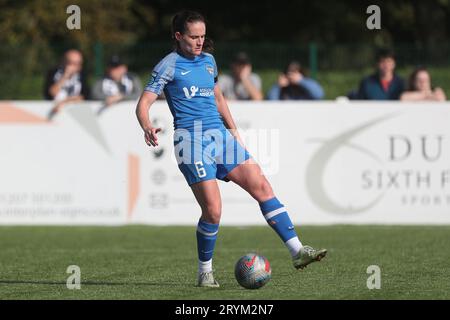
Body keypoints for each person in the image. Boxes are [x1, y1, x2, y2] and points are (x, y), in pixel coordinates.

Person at [135, 10, 327, 288]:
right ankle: (205, 272)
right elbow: (143, 103)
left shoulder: (209, 61)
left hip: (220, 137)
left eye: (202, 36)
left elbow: (217, 96)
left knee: (262, 186)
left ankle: (298, 251)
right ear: (178, 36)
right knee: (213, 211)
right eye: (193, 37)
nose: (200, 42)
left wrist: (233, 130)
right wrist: (146, 125)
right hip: (191, 141)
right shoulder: (169, 65)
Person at [44, 49, 90, 119]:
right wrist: (65, 76)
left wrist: (65, 102)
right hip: (54, 113)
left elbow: (84, 96)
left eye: (78, 63)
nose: (75, 67)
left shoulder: (82, 75)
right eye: (71, 63)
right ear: (64, 62)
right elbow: (51, 93)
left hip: (74, 114)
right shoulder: (53, 73)